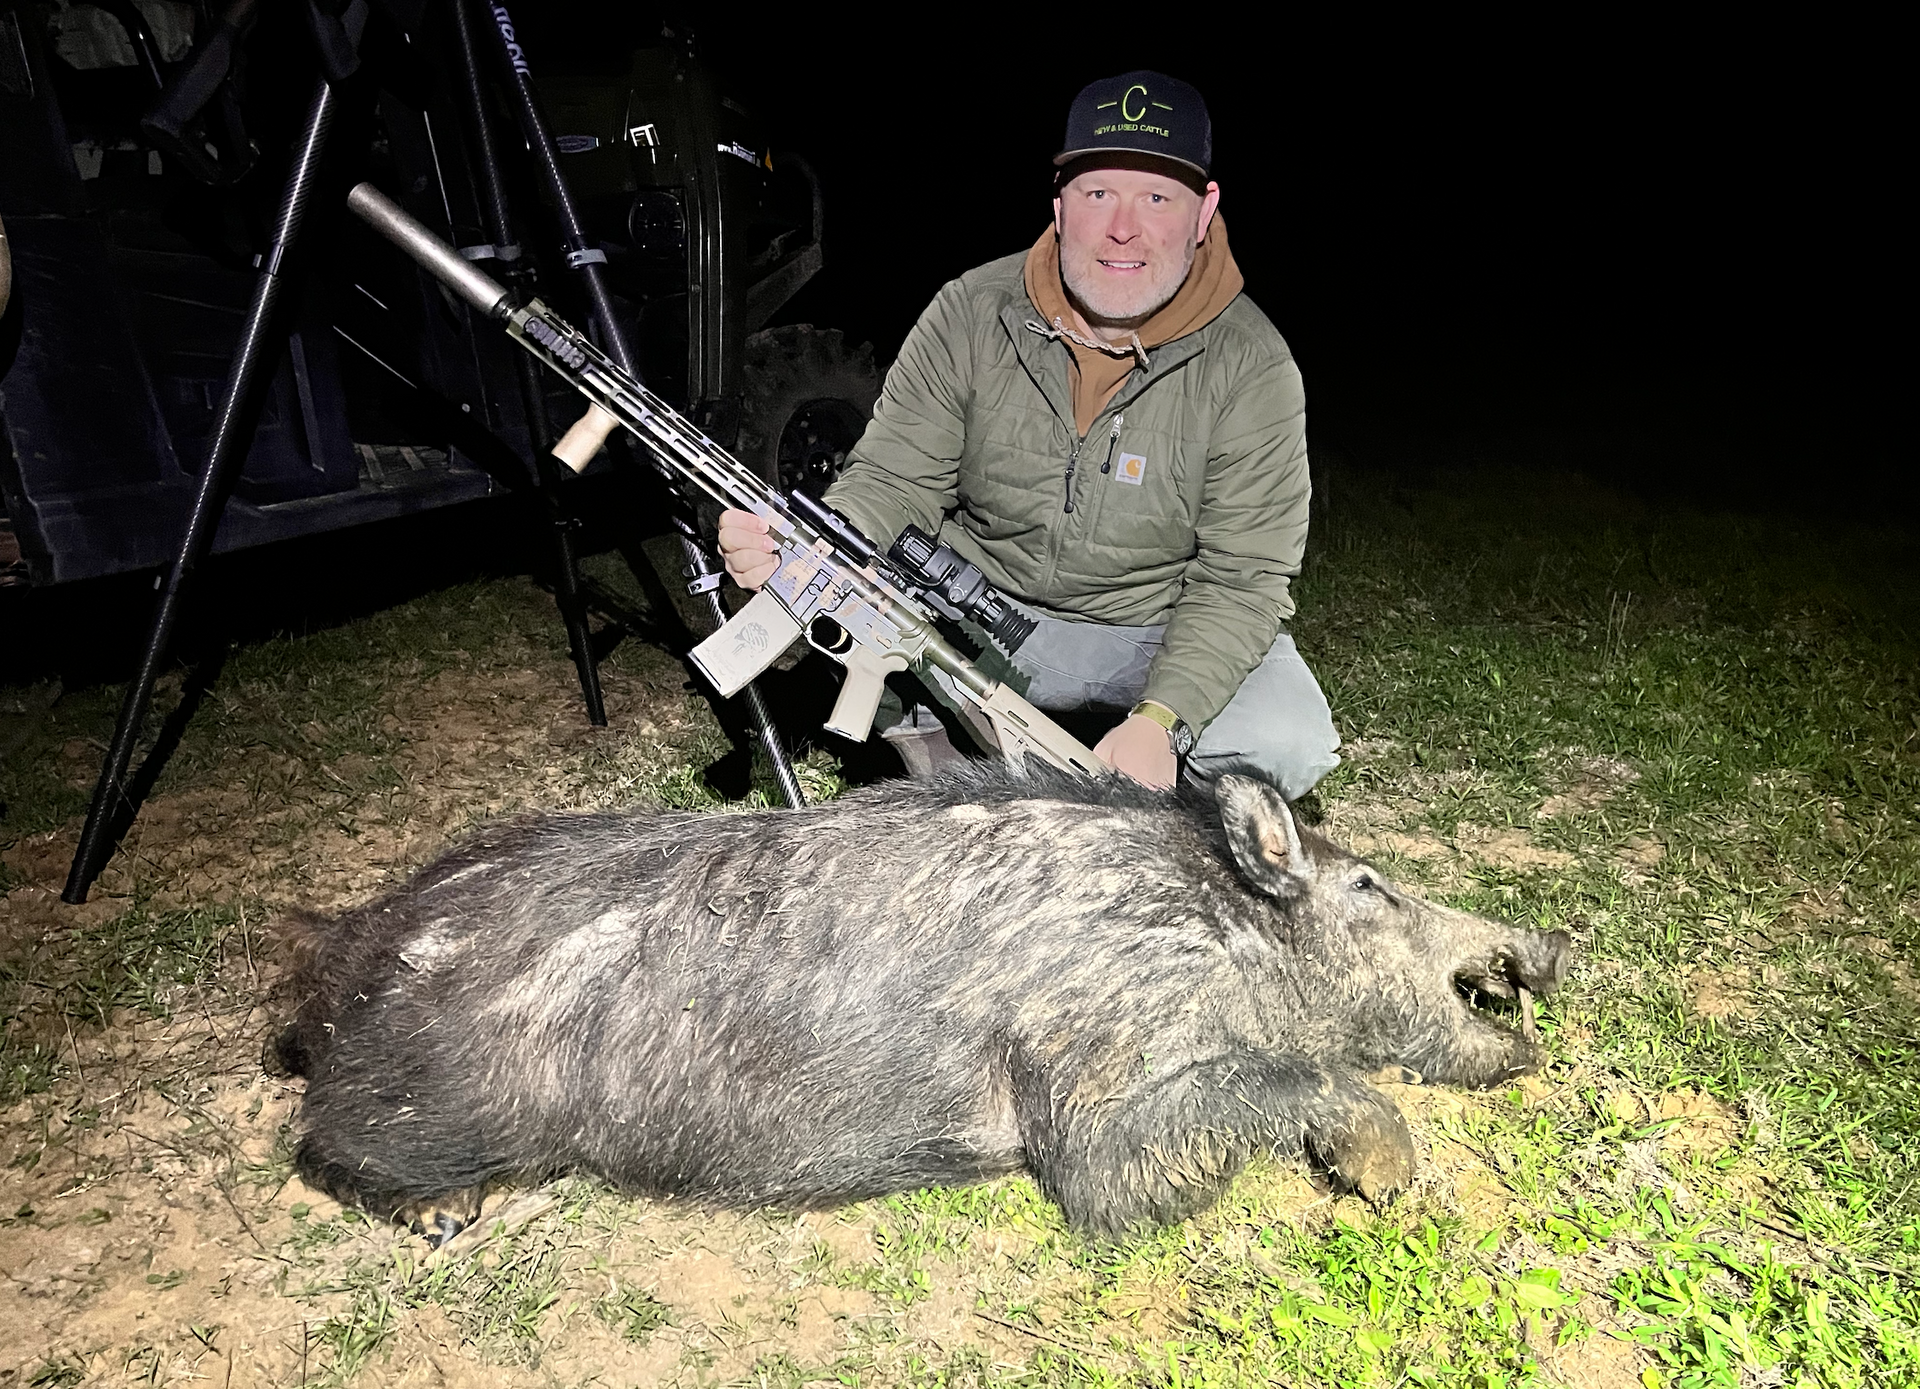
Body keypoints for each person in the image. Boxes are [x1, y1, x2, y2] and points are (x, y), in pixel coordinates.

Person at [717, 70, 1339, 798]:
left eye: (1157, 198)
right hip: (976, 610)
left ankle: (1146, 785)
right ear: (1060, 203)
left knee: (1283, 741)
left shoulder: (1253, 366)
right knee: (846, 598)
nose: (1123, 227)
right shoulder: (970, 311)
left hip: (1151, 634)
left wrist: (1163, 719)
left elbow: (1241, 579)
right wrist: (803, 544)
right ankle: (940, 760)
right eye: (1098, 193)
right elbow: (893, 477)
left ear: (1203, 213)